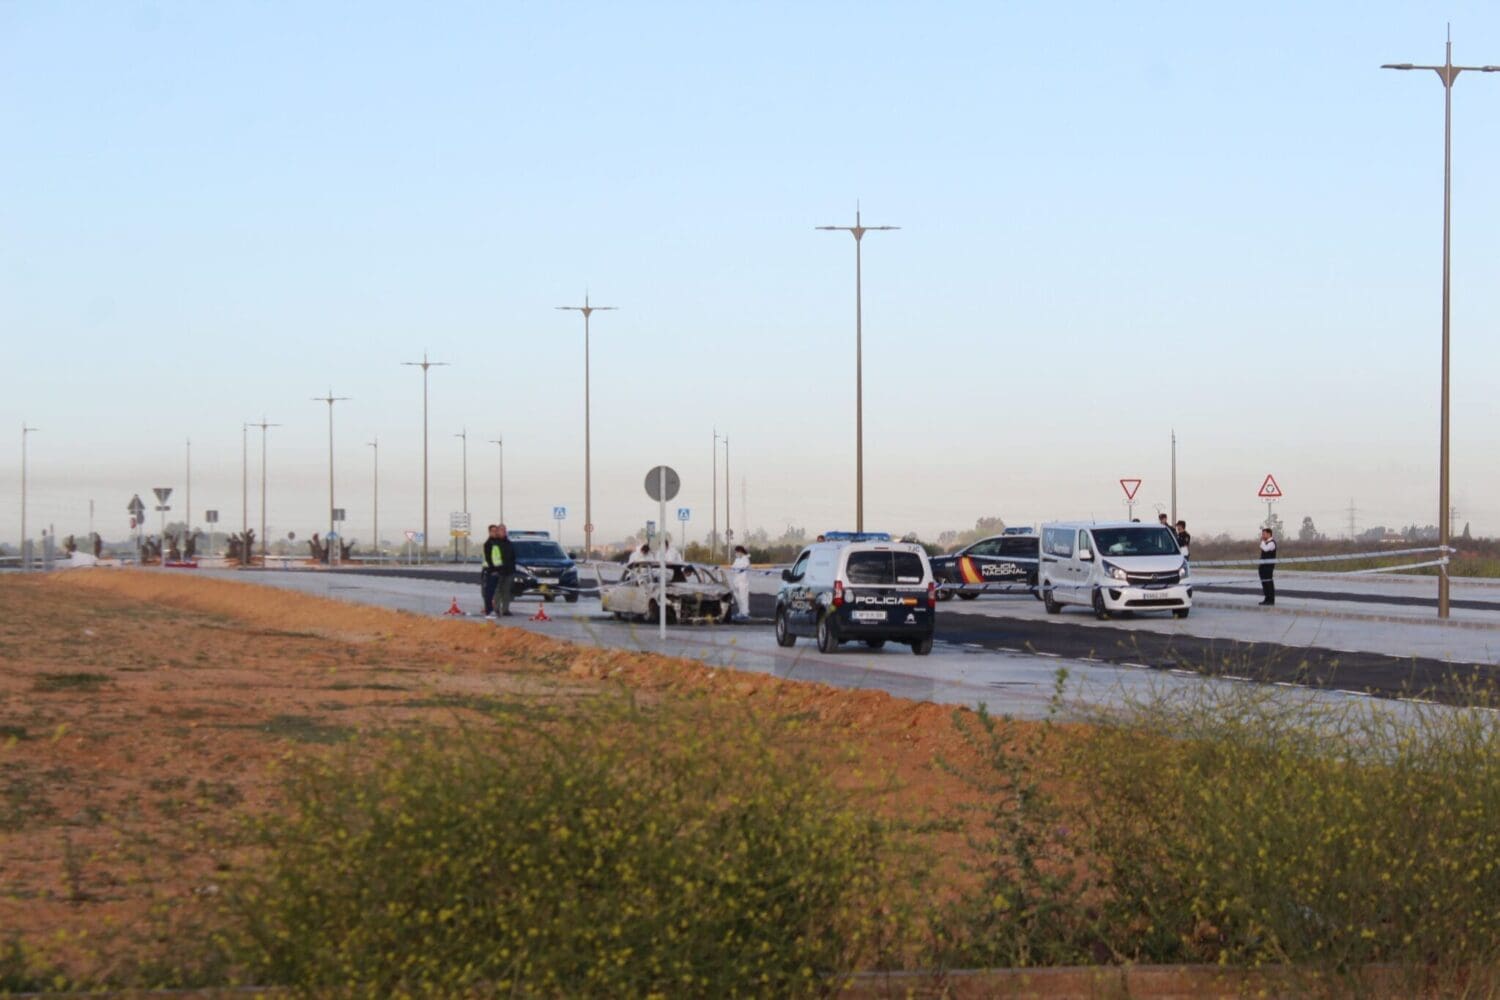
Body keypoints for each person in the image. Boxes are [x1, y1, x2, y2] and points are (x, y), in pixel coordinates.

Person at [480, 524, 503, 618]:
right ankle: (488, 611)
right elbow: (489, 558)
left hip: (496, 570)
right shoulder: (488, 543)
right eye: (493, 531)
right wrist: (493, 570)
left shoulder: (496, 543)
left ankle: (491, 610)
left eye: (496, 531)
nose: (495, 532)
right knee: (488, 592)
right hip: (490, 570)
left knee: (493, 592)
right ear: (489, 532)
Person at [730, 545, 752, 621]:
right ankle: (740, 612)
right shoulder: (737, 560)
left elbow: (742, 567)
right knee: (738, 598)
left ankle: (745, 613)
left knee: (743, 598)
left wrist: (735, 568)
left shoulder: (746, 559)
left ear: (740, 551)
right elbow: (733, 568)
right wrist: (734, 568)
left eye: (737, 552)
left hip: (743, 582)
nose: (736, 554)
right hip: (736, 581)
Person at [1258, 526, 1277, 606]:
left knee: (1268, 583)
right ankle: (1266, 598)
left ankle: (1271, 600)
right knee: (1264, 583)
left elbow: (1265, 549)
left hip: (1268, 567)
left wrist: (1262, 541)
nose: (1262, 535)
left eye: (1264, 534)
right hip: (1263, 566)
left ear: (1269, 534)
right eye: (1262, 534)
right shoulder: (1265, 543)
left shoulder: (1272, 543)